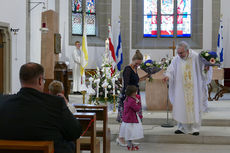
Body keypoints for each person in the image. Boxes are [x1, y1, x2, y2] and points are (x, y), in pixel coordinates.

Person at [0, 62, 81, 153]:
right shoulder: (56, 103)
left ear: (21, 80)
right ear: (40, 80)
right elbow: (75, 132)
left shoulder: (2, 102)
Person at [163, 41, 212, 136]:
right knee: (181, 106)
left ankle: (195, 128)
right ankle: (181, 128)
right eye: (178, 53)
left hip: (194, 89)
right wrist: (168, 76)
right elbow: (171, 69)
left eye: (181, 53)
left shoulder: (196, 57)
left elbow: (203, 70)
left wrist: (206, 69)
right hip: (181, 89)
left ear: (187, 50)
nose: (179, 55)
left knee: (195, 107)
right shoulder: (177, 59)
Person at [116, 50, 146, 146]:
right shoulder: (128, 69)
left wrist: (144, 77)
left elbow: (135, 81)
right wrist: (130, 98)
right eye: (137, 63)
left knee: (133, 119)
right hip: (128, 96)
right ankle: (120, 139)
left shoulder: (135, 69)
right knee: (124, 119)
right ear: (133, 60)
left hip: (135, 95)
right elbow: (127, 84)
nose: (138, 65)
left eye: (139, 64)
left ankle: (130, 139)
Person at [119, 85, 144, 151]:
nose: (136, 93)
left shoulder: (127, 98)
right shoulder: (131, 100)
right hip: (130, 118)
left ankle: (130, 143)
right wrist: (138, 102)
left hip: (127, 118)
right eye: (135, 92)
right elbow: (137, 108)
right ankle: (130, 145)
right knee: (131, 131)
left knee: (129, 131)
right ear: (132, 93)